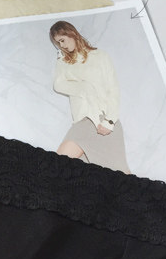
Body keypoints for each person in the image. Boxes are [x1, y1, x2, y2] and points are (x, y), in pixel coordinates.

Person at [50, 20, 130, 174]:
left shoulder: (100, 56)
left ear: (71, 34)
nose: (62, 46)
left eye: (62, 40)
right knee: (57, 168)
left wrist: (110, 121)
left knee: (120, 177)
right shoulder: (64, 62)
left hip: (104, 121)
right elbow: (58, 85)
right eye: (58, 43)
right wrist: (84, 87)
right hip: (82, 122)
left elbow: (113, 90)